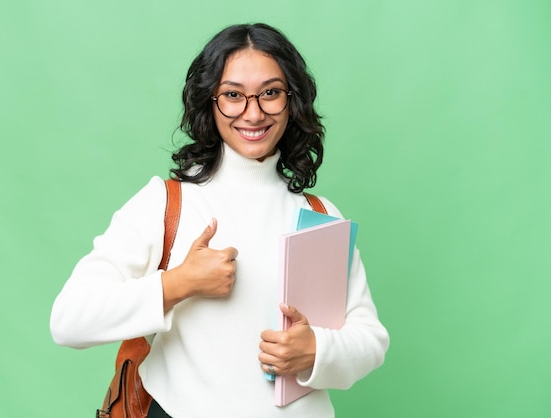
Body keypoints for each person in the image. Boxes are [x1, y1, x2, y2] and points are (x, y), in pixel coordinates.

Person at [50, 23, 389, 417]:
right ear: (209, 102)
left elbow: (370, 340)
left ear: (292, 100)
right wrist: (178, 283)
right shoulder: (168, 203)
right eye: (232, 95)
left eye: (270, 93)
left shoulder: (320, 214)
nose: (253, 112)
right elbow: (69, 320)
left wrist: (317, 349)